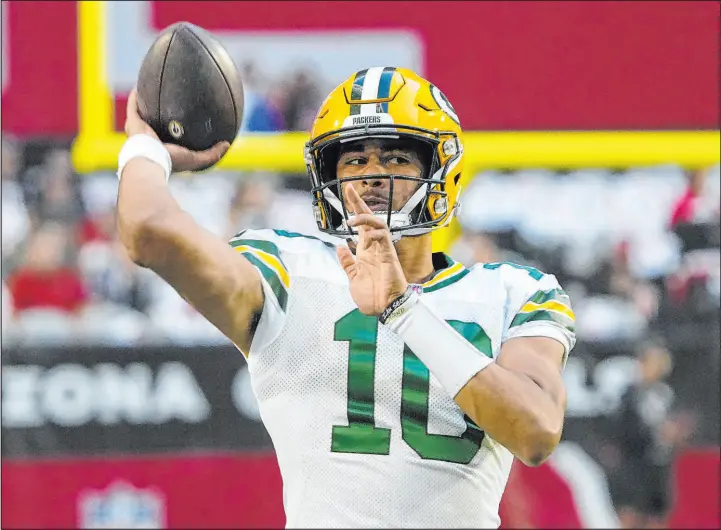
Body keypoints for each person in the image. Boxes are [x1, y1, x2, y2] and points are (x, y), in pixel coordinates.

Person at [117, 66, 576, 528]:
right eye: (354, 161)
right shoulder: (286, 270)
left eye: (396, 158)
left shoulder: (512, 291)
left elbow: (535, 432)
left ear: (442, 171)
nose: (373, 176)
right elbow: (147, 234)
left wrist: (404, 309)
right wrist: (143, 149)